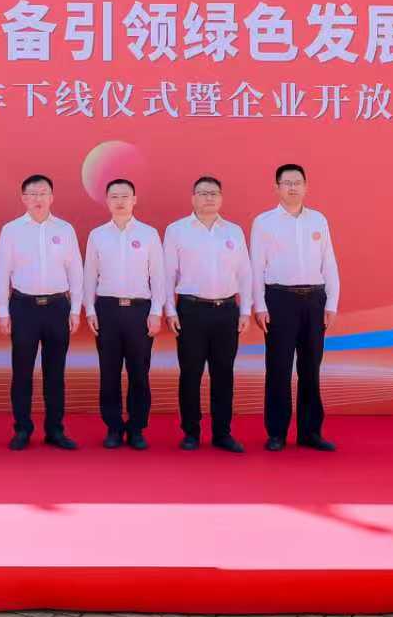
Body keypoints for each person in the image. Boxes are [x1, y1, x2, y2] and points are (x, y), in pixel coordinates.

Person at [251, 163, 340, 453]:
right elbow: (256, 266)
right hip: (280, 300)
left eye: (297, 182)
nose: (292, 187)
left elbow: (329, 262)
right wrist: (259, 305)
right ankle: (276, 432)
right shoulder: (264, 222)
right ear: (276, 187)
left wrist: (331, 302)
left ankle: (310, 432)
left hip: (314, 300)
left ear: (306, 186)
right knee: (278, 368)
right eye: (287, 182)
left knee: (310, 368)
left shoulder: (318, 220)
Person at [0, 173, 83, 451]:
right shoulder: (12, 230)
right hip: (23, 308)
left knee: (55, 373)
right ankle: (22, 429)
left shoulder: (65, 229)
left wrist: (75, 309)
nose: (38, 198)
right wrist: (3, 311)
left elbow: (75, 270)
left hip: (57, 307)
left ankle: (55, 430)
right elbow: (2, 271)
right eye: (32, 194)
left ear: (52, 197)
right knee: (22, 372)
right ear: (23, 198)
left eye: (43, 193)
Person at [164, 175, 251, 453]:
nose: (209, 198)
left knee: (223, 373)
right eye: (203, 193)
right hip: (191, 310)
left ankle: (222, 433)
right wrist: (169, 310)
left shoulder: (233, 231)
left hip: (226, 311)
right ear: (193, 198)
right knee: (190, 372)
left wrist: (245, 310)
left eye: (214, 193)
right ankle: (191, 432)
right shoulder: (177, 230)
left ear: (221, 198)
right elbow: (168, 274)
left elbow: (245, 273)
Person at [82, 178, 164, 451]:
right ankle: (114, 427)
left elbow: (158, 276)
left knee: (139, 371)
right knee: (109, 372)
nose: (120, 201)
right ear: (107, 201)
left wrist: (156, 312)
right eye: (114, 196)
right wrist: (90, 309)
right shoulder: (97, 235)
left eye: (125, 196)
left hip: (140, 311)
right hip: (107, 309)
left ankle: (137, 427)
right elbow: (89, 275)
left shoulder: (149, 234)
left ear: (134, 200)